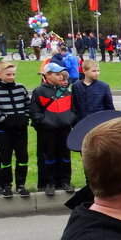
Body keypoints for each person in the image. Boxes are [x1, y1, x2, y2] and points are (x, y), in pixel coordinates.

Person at [31, 63, 77, 196]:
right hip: (48, 130)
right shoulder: (39, 91)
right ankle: (49, 183)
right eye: (57, 74)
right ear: (48, 75)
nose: (60, 76)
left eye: (61, 74)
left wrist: (68, 119)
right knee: (49, 156)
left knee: (65, 156)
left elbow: (73, 109)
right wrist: (46, 122)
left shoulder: (66, 92)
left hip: (64, 129)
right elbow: (35, 113)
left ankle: (66, 181)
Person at [0, 63, 31, 197]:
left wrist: (25, 117)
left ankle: (21, 185)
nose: (11, 77)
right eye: (8, 74)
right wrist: (3, 119)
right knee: (5, 159)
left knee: (22, 157)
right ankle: (6, 185)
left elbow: (28, 105)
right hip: (3, 131)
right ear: (0, 74)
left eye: (13, 74)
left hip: (20, 130)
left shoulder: (20, 87)